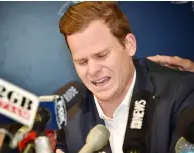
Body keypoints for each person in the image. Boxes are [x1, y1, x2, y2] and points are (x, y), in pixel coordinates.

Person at [56, 2, 194, 153]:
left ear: (129, 45)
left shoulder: (182, 94)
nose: (93, 70)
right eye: (82, 61)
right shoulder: (69, 116)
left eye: (102, 55)